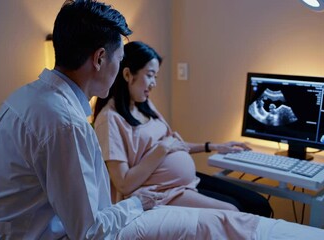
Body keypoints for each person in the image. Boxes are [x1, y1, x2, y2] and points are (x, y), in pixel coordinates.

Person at [0, 1, 260, 239]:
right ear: (100, 58)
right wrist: (138, 202)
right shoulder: (65, 123)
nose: (120, 69)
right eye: (120, 60)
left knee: (231, 218)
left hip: (16, 227)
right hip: (23, 233)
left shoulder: (28, 97)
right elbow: (90, 232)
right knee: (224, 223)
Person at [93, 41, 272, 217]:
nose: (154, 83)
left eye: (156, 77)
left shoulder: (143, 105)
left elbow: (175, 144)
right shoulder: (110, 120)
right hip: (161, 192)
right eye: (150, 75)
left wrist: (213, 146)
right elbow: (124, 183)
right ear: (127, 75)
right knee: (235, 211)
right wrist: (163, 149)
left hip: (183, 182)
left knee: (257, 203)